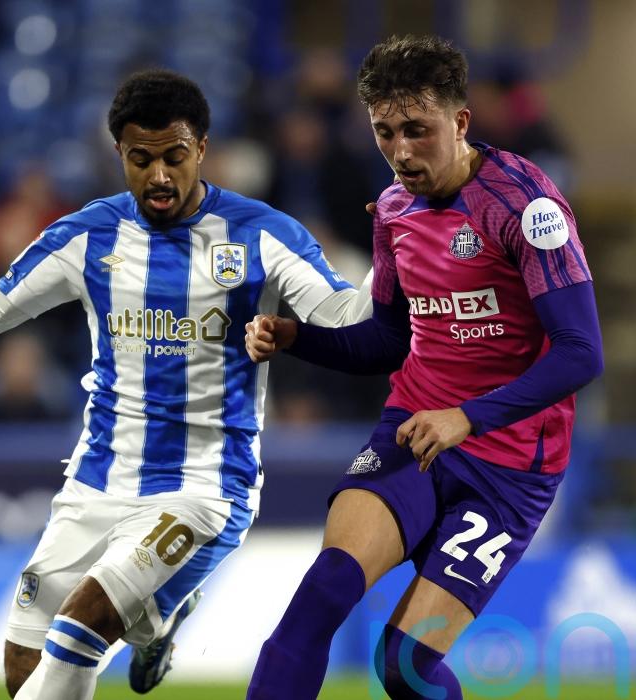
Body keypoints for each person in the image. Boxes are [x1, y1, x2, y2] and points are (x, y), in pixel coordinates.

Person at [0, 69, 372, 699]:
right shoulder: (89, 234)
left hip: (203, 485)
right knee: (23, 660)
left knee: (84, 621)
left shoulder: (261, 234)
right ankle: (160, 617)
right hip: (97, 480)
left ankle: (156, 609)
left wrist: (397, 249)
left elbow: (347, 317)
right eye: (141, 159)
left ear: (202, 149)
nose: (159, 176)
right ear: (118, 154)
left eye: (174, 157)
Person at [242, 35, 603, 699]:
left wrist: (467, 418)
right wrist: (297, 337)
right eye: (384, 133)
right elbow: (386, 342)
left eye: (417, 130)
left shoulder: (526, 207)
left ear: (460, 122)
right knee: (321, 595)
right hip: (412, 434)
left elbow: (582, 352)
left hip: (510, 467)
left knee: (404, 668)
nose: (401, 152)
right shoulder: (393, 211)